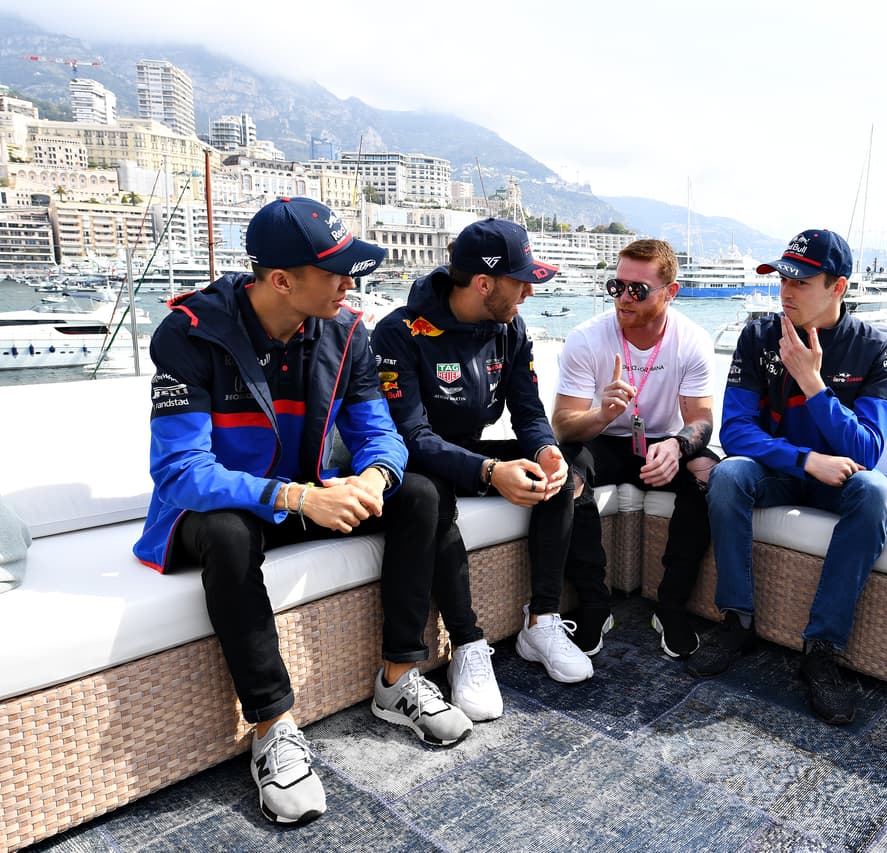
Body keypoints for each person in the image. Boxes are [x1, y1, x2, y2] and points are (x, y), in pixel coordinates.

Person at [133, 197, 477, 826]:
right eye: (336, 271)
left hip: (303, 494)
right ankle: (272, 726)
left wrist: (374, 477)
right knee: (229, 534)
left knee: (420, 494)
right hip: (220, 508)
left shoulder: (346, 332)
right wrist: (299, 497)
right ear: (281, 280)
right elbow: (181, 473)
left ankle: (399, 678)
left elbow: (380, 434)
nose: (351, 284)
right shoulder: (188, 333)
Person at [371, 218, 603, 685]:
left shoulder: (509, 328)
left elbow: (529, 412)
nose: (529, 293)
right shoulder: (400, 332)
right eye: (521, 282)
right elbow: (411, 434)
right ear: (483, 283)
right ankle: (467, 642)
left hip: (472, 454)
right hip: (415, 460)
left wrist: (545, 450)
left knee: (570, 462)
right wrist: (489, 470)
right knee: (431, 494)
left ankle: (542, 621)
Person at [685, 228, 887, 725]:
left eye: (801, 281)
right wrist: (806, 461)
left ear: (837, 287)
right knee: (729, 475)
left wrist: (812, 382)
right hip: (782, 472)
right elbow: (736, 431)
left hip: (843, 478)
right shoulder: (758, 336)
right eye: (783, 278)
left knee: (873, 492)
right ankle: (737, 622)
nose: (786, 291)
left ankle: (821, 649)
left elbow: (867, 450)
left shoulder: (875, 349)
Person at [552, 239, 718, 658]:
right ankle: (594, 603)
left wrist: (678, 446)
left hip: (662, 444)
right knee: (565, 471)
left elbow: (701, 419)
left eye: (637, 290)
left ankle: (671, 606)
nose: (623, 297)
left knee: (708, 474)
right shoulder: (586, 338)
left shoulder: (692, 340)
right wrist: (603, 414)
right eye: (616, 286)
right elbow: (563, 426)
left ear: (670, 291)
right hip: (602, 440)